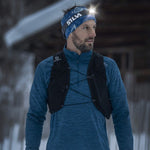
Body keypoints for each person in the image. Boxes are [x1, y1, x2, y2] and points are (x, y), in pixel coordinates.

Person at [25, 6, 133, 150]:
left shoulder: (107, 67)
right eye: (86, 28)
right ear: (71, 31)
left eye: (94, 27)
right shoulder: (46, 68)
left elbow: (121, 115)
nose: (93, 33)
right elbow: (35, 116)